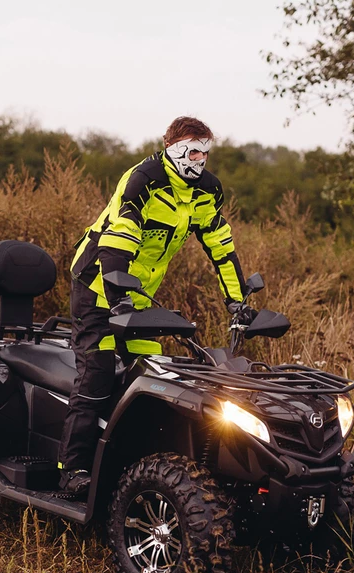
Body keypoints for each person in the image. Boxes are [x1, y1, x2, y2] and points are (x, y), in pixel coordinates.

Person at [58, 116, 253, 494]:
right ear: (171, 149)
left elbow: (221, 248)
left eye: (205, 152)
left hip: (141, 293)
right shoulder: (143, 180)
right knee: (97, 375)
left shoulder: (207, 191)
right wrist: (118, 298)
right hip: (100, 283)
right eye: (192, 151)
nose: (200, 160)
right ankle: (73, 469)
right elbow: (120, 239)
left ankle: (134, 468)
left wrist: (237, 301)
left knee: (151, 376)